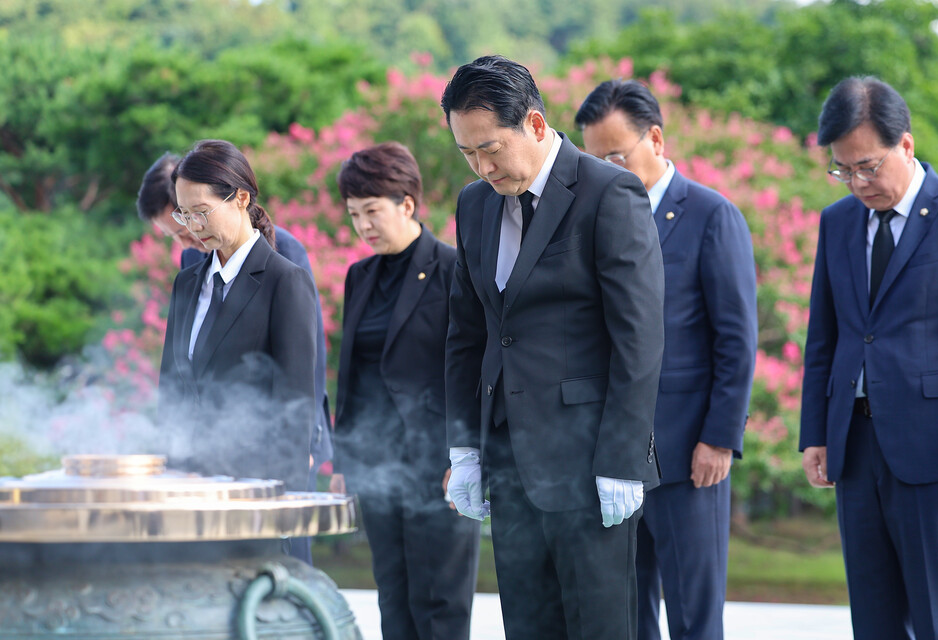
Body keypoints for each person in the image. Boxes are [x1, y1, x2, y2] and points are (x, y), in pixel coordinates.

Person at [441, 56, 665, 639]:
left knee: (597, 627)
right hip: (510, 461)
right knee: (528, 627)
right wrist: (464, 447)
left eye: (491, 148)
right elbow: (468, 333)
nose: (483, 166)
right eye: (468, 153)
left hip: (591, 466)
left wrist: (622, 461)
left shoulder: (608, 192)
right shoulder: (474, 204)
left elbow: (637, 338)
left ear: (535, 126)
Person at [575, 79, 757, 640]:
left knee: (693, 613)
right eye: (593, 159)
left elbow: (736, 338)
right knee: (626, 611)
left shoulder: (709, 215)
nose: (605, 168)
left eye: (616, 155)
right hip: (613, 455)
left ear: (654, 138)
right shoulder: (592, 220)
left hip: (689, 451)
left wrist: (721, 438)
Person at [800, 77, 938, 640]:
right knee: (872, 615)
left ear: (907, 146)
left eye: (867, 166)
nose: (856, 182)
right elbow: (826, 336)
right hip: (855, 446)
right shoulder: (837, 221)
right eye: (842, 170)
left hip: (934, 448)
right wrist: (815, 431)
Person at [331, 142, 481, 640]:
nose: (363, 226)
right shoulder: (360, 276)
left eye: (372, 211)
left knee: (439, 604)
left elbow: (470, 370)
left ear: (408, 204)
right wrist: (343, 459)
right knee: (392, 597)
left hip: (437, 465)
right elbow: (350, 371)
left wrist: (463, 457)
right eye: (354, 214)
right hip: (376, 466)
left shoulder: (454, 269)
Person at [138, 152, 334, 471]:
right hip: (190, 474)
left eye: (201, 212)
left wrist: (296, 465)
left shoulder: (285, 274)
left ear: (240, 198)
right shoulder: (187, 281)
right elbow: (172, 387)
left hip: (255, 474)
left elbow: (298, 389)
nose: (193, 229)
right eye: (184, 217)